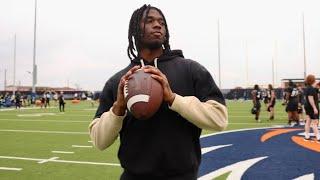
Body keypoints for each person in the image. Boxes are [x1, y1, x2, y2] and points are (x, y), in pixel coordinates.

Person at [89, 4, 228, 180]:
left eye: (161, 22)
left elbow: (220, 119)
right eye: (149, 21)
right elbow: (99, 141)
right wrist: (118, 109)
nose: (158, 25)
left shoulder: (191, 70)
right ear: (134, 29)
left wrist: (174, 99)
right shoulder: (119, 81)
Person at [303, 75, 319, 142]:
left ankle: (306, 135)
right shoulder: (311, 89)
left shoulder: (308, 88)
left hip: (307, 106)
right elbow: (310, 99)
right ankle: (318, 137)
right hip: (311, 106)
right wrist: (314, 108)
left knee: (308, 121)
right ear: (313, 80)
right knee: (314, 122)